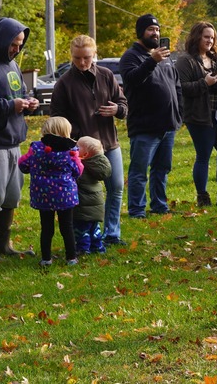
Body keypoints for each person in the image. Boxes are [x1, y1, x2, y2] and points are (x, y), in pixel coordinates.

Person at [50, 34, 128, 246]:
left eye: (86, 57)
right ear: (71, 56)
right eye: (77, 58)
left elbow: (123, 103)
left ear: (94, 54)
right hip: (79, 149)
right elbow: (56, 117)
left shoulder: (106, 75)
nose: (82, 62)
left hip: (108, 143)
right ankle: (83, 233)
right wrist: (72, 139)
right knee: (84, 195)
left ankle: (112, 233)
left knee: (116, 186)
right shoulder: (64, 83)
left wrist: (117, 109)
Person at [0, 16, 38, 262]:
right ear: (1, 39)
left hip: (14, 141)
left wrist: (28, 103)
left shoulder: (13, 66)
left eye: (20, 44)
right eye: (13, 44)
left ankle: (3, 245)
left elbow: (19, 93)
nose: (17, 49)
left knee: (11, 196)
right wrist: (10, 105)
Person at [120, 14, 182, 219]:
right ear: (141, 33)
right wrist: (151, 61)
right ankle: (137, 210)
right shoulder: (131, 56)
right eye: (150, 30)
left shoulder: (165, 56)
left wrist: (178, 113)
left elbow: (175, 85)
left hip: (167, 124)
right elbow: (132, 80)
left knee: (162, 169)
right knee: (139, 170)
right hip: (145, 125)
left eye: (157, 29)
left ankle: (159, 205)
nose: (155, 33)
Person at [176, 22, 217, 207]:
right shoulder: (185, 60)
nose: (210, 41)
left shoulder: (214, 58)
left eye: (212, 37)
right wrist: (205, 83)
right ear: (196, 37)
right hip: (199, 116)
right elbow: (181, 88)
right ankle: (203, 198)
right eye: (206, 37)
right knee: (203, 156)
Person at [18, 116, 83, 267]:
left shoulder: (36, 149)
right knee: (67, 226)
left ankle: (46, 259)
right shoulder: (71, 151)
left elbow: (23, 165)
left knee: (46, 227)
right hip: (65, 195)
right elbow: (78, 170)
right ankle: (71, 258)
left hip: (43, 195)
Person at [71, 136, 111, 255]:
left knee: (81, 229)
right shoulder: (97, 166)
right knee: (94, 228)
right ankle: (98, 247)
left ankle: (83, 248)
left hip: (84, 207)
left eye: (77, 147)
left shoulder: (82, 167)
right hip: (96, 207)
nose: (75, 148)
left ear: (85, 154)